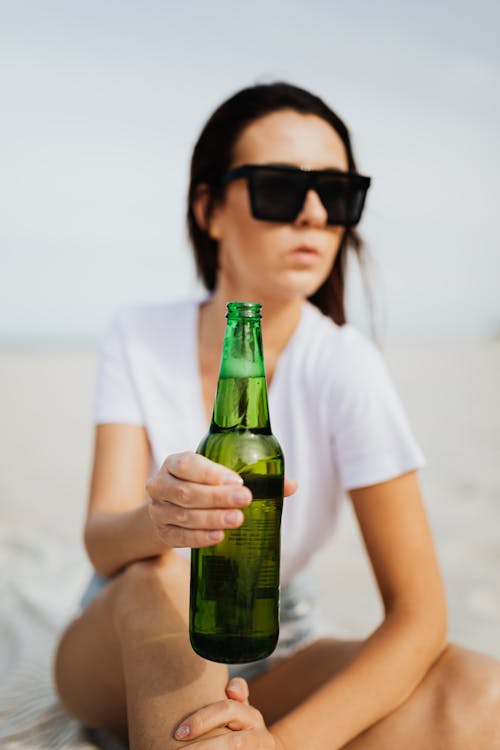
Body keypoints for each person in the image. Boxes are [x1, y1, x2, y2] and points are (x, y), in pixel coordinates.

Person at [54, 82, 500, 750]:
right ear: (208, 209)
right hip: (125, 635)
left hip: (271, 644)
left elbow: (419, 614)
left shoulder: (346, 366)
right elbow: (100, 541)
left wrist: (285, 742)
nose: (315, 214)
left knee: (479, 693)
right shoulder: (139, 335)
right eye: (280, 189)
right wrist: (164, 520)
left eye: (339, 193)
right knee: (163, 573)